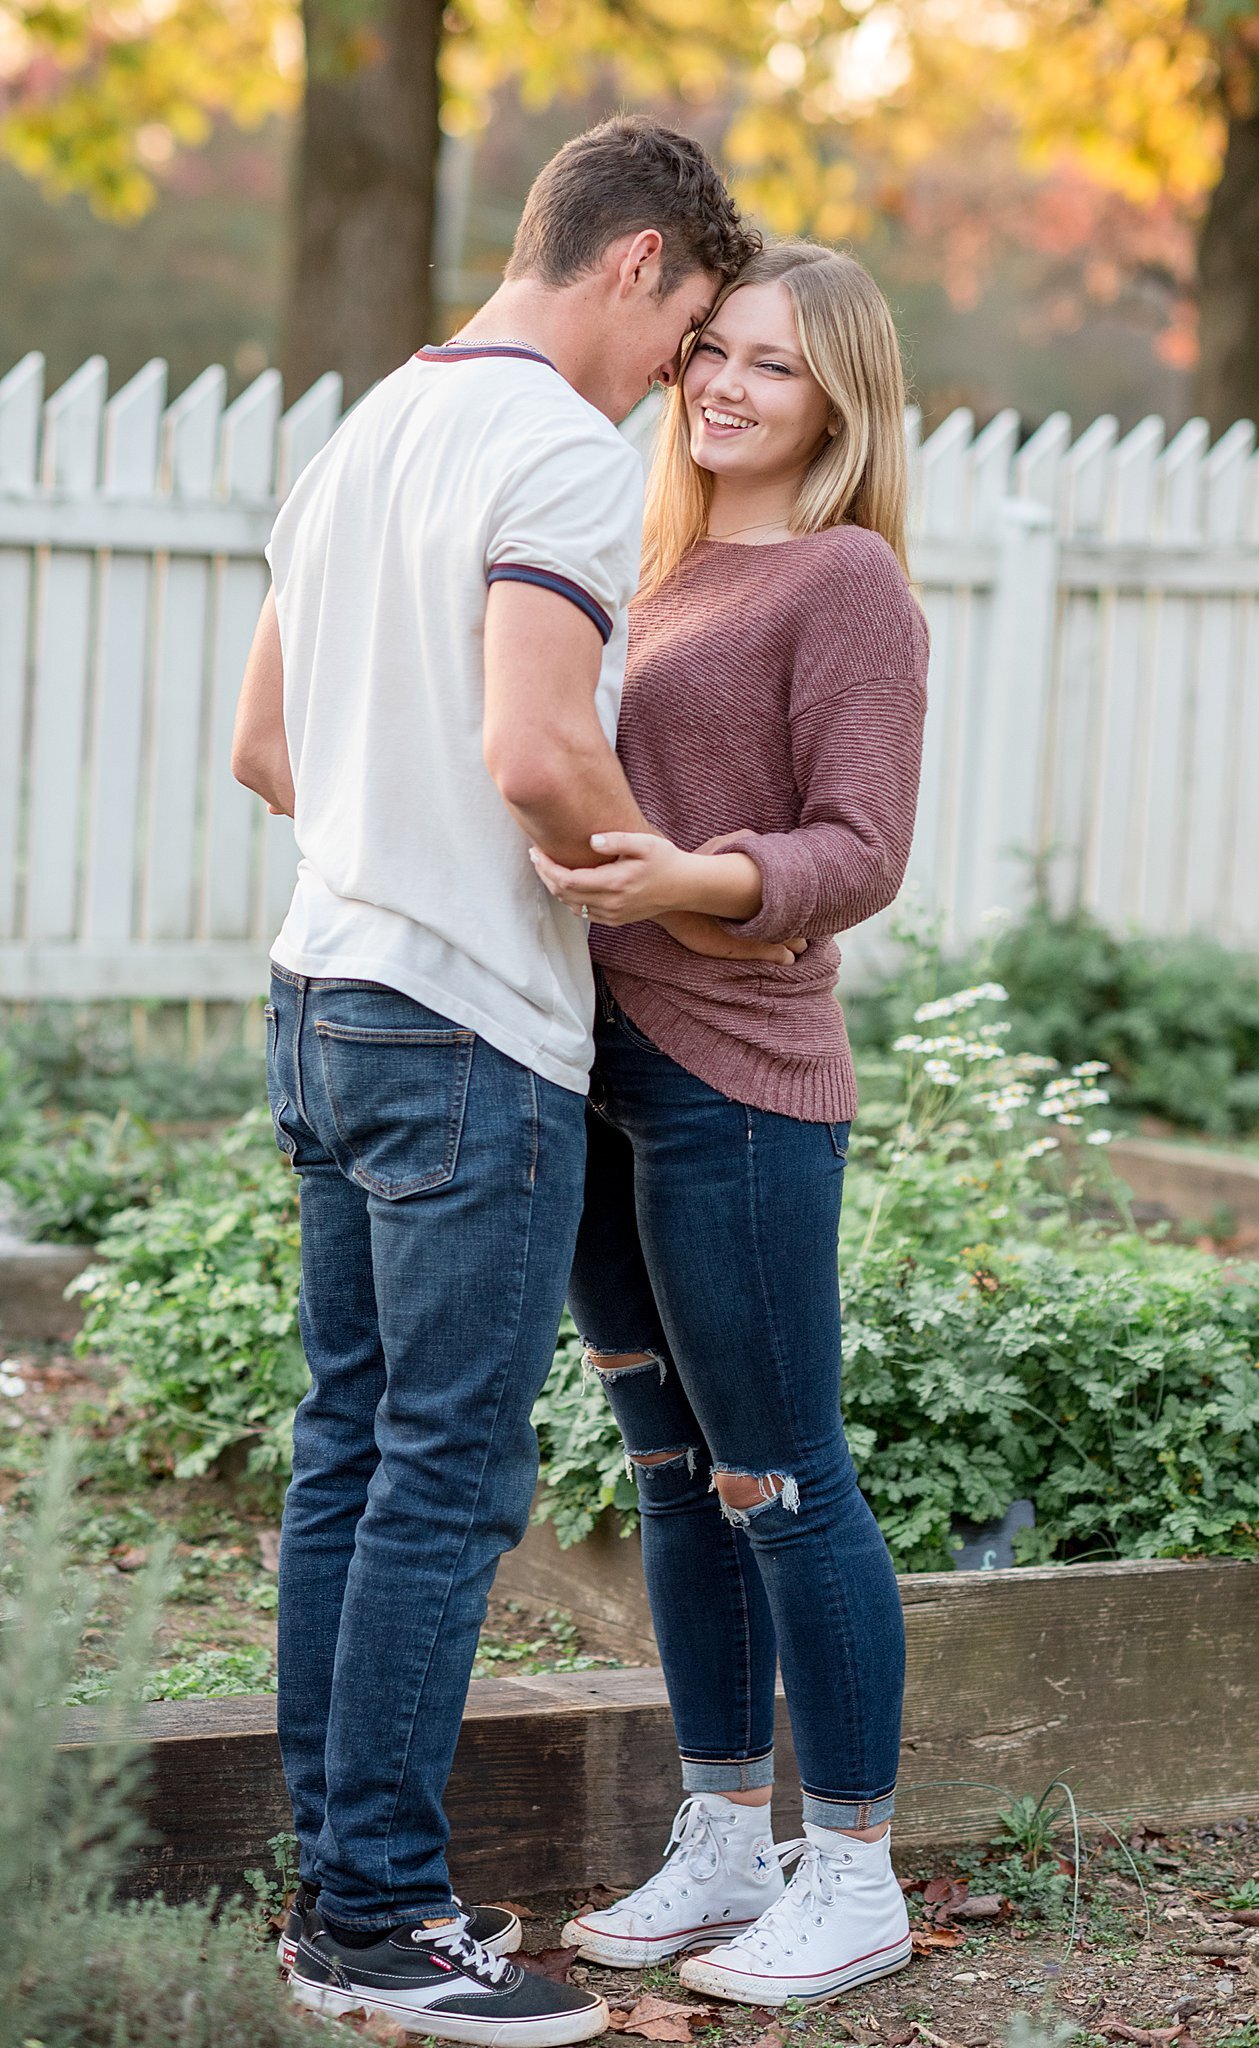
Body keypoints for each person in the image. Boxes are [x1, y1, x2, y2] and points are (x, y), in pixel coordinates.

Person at [230, 116, 773, 2046]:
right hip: (467, 1034)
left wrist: (404, 833)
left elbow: (265, 743)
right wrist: (692, 907)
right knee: (443, 1482)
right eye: (689, 326)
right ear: (636, 263)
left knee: (351, 1456)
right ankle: (381, 1923)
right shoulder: (556, 440)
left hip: (323, 993)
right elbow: (543, 750)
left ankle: (330, 1907)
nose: (684, 377)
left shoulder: (367, 427)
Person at [529, 243, 930, 2007]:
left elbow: (864, 845)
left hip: (740, 1082)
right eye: (711, 352)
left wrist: (702, 877)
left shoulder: (847, 583)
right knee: (674, 1475)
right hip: (601, 1064)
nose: (725, 385)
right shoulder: (663, 563)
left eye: (772, 364)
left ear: (838, 399)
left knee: (785, 1477)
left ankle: (851, 1865)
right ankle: (722, 1834)